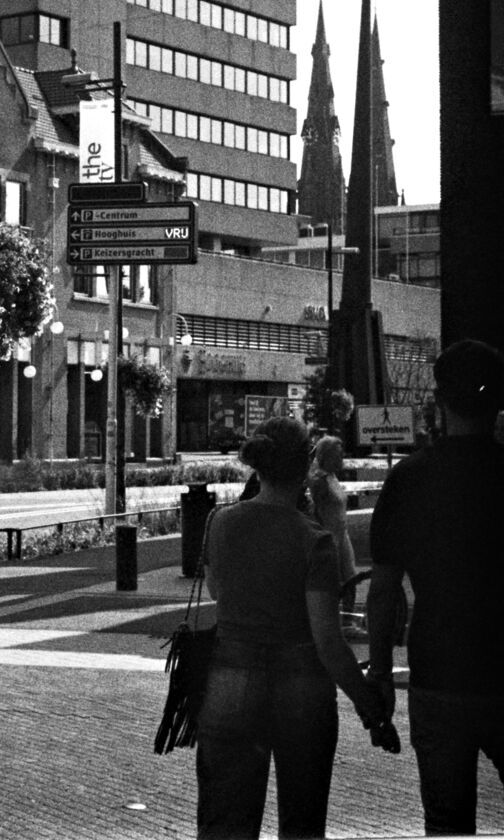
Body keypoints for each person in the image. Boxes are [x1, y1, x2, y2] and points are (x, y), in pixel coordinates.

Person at [197, 416, 399, 840]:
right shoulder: (314, 540)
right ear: (306, 465)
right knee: (302, 824)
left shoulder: (220, 523)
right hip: (302, 690)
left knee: (225, 824)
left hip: (230, 681)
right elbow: (328, 641)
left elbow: (218, 591)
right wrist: (370, 709)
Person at [368, 338, 504, 836]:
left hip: (438, 671)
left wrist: (380, 674)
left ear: (439, 401)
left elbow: (383, 589)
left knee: (447, 822)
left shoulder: (410, 479)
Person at [309, 436, 358, 629]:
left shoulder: (332, 476)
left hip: (341, 533)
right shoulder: (320, 480)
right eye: (338, 455)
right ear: (327, 456)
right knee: (335, 581)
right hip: (330, 536)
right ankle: (334, 621)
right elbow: (316, 511)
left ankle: (347, 620)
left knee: (350, 577)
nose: (342, 459)